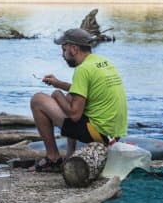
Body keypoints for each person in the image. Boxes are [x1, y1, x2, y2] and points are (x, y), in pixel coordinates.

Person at [29, 28, 128, 172]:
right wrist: (58, 83)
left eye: (64, 50)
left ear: (74, 49)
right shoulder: (103, 62)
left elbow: (74, 115)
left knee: (38, 100)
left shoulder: (82, 69)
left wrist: (57, 94)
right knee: (71, 97)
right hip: (114, 134)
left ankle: (53, 157)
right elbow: (84, 91)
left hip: (99, 134)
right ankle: (70, 154)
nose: (62, 55)